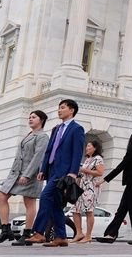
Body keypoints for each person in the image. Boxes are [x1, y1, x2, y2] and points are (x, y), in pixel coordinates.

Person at [22, 100, 85, 247]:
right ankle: (61, 237)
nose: (59, 110)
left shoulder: (77, 129)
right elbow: (49, 150)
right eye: (59, 108)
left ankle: (38, 232)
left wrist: (73, 172)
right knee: (56, 204)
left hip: (63, 172)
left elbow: (77, 152)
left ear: (71, 110)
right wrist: (43, 169)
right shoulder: (56, 129)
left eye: (62, 108)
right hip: (51, 170)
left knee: (45, 196)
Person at [0, 110, 49, 245]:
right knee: (1, 197)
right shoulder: (29, 134)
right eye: (29, 117)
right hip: (15, 174)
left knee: (29, 202)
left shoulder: (42, 136)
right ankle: (6, 230)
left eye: (34, 117)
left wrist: (27, 175)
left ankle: (27, 234)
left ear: (41, 120)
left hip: (30, 175)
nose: (30, 119)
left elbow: (38, 157)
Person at [70, 139, 105, 243]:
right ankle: (79, 233)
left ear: (95, 148)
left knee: (88, 210)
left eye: (89, 146)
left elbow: (100, 172)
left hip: (91, 187)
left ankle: (88, 235)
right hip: (82, 187)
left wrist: (85, 170)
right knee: (75, 209)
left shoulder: (98, 159)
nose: (87, 148)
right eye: (87, 146)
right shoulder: (87, 159)